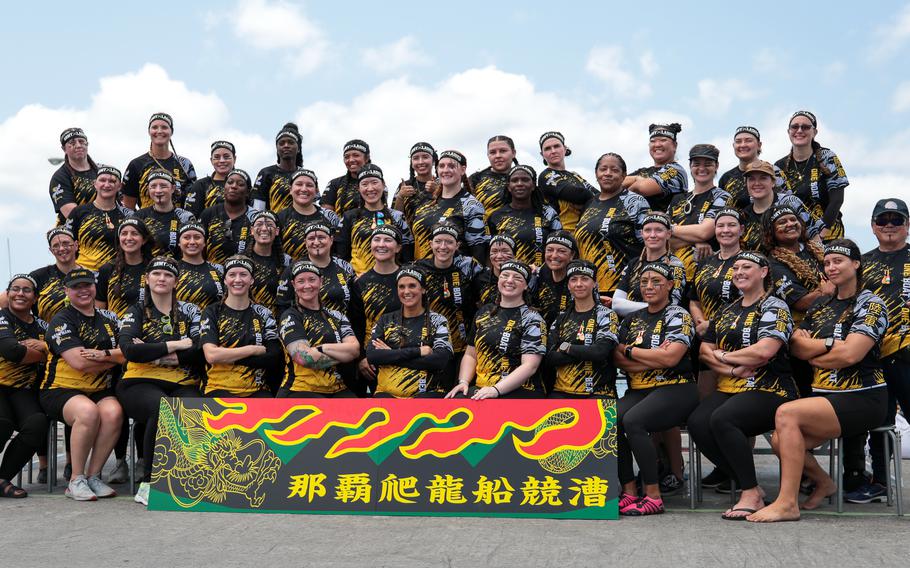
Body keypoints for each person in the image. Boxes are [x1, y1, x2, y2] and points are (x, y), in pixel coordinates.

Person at [750, 240, 888, 522]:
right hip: (826, 396)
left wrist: (818, 353)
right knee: (780, 439)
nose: (831, 267)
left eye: (838, 261)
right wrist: (829, 345)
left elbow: (852, 354)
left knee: (786, 413)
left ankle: (787, 503)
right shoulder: (821, 304)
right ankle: (824, 482)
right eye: (827, 263)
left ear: (856, 264)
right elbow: (798, 348)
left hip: (863, 397)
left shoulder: (870, 303)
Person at [691, 251, 797, 520]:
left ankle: (748, 490)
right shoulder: (728, 310)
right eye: (735, 267)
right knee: (697, 421)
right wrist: (732, 369)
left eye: (746, 266)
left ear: (763, 272)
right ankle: (749, 483)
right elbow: (704, 352)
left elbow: (764, 351)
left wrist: (724, 356)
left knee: (723, 418)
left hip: (771, 388)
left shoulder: (774, 306)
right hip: (732, 385)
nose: (738, 271)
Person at [613, 262, 698, 516]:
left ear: (670, 285)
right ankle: (629, 489)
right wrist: (652, 358)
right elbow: (617, 358)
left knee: (634, 421)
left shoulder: (678, 315)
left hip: (677, 387)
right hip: (640, 389)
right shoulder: (632, 319)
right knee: (609, 421)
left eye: (656, 282)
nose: (649, 287)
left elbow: (671, 359)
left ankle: (653, 494)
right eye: (644, 282)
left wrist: (632, 352)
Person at [116, 257, 203, 505]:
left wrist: (153, 354)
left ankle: (191, 479)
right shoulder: (136, 310)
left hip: (183, 382)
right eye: (156, 274)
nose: (162, 278)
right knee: (162, 408)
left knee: (196, 408)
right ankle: (149, 482)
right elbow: (130, 351)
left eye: (167, 275)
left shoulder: (191, 311)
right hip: (138, 382)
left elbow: (198, 350)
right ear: (147, 279)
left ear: (176, 281)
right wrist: (175, 344)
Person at [843, 199, 910, 504]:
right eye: (883, 220)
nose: (889, 226)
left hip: (908, 353)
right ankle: (880, 482)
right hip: (872, 356)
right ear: (872, 225)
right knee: (879, 423)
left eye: (897, 220)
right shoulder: (862, 262)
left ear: (907, 225)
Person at [40, 268, 124, 501]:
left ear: (95, 288)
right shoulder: (61, 320)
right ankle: (75, 480)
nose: (83, 290)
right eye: (76, 287)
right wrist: (111, 358)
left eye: (87, 285)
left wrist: (100, 355)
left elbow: (127, 353)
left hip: (99, 389)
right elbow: (78, 362)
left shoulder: (109, 319)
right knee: (87, 412)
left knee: (113, 413)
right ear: (67, 291)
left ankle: (93, 476)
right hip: (60, 390)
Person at [446, 260, 546, 399]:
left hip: (520, 391)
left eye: (517, 277)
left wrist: (496, 390)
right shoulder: (484, 312)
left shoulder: (532, 319)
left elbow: (530, 366)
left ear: (525, 286)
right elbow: (470, 354)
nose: (509, 281)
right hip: (482, 389)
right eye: (505, 275)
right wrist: (464, 382)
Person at [762, 205, 832, 398]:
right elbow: (801, 302)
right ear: (772, 231)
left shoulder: (816, 250)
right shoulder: (773, 263)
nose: (790, 224)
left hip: (832, 325)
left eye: (793, 219)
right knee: (811, 393)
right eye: (782, 222)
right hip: (802, 336)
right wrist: (826, 291)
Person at [199, 256, 283, 398]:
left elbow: (273, 357)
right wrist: (253, 350)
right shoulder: (212, 312)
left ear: (251, 280)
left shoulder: (263, 313)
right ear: (225, 280)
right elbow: (211, 355)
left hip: (257, 389)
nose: (238, 280)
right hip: (218, 387)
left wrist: (226, 356)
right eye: (232, 275)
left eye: (243, 274)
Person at [366, 266, 453, 398]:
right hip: (386, 394)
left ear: (423, 289)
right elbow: (373, 356)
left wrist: (390, 354)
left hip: (427, 395)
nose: (406, 291)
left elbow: (439, 360)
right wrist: (418, 352)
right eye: (401, 287)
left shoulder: (438, 321)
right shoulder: (385, 320)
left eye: (412, 286)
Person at [276, 261, 361, 397]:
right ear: (293, 285)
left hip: (337, 388)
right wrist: (344, 355)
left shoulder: (337, 315)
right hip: (300, 389)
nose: (307, 285)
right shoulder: (290, 316)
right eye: (301, 281)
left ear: (321, 282)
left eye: (312, 279)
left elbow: (355, 349)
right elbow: (304, 358)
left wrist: (323, 348)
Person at [416, 224, 483, 389]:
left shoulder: (469, 266)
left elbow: (491, 283)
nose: (443, 247)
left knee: (457, 392)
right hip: (430, 345)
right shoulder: (419, 268)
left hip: (462, 343)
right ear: (430, 244)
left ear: (457, 245)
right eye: (438, 242)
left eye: (449, 242)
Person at [0, 275, 49, 498]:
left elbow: (61, 351)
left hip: (24, 390)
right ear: (8, 293)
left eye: (26, 290)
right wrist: (42, 354)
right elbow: (12, 351)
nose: (20, 293)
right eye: (15, 289)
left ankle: (2, 479)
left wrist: (44, 349)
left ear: (35, 298)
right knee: (3, 423)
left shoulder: (44, 326)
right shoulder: (1, 318)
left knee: (37, 423)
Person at [575, 153, 648, 298]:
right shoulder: (590, 203)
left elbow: (650, 243)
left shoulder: (634, 202)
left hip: (624, 290)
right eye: (603, 169)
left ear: (623, 175)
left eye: (614, 170)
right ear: (596, 174)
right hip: (590, 290)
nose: (608, 174)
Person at [544, 260, 619, 398]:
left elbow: (600, 352)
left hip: (599, 392)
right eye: (573, 280)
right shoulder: (561, 318)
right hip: (561, 392)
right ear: (568, 285)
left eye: (585, 279)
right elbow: (549, 358)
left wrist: (566, 347)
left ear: (595, 283)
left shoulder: (607, 315)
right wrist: (585, 351)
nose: (579, 284)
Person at [775, 111, 849, 243]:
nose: (799, 130)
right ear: (788, 131)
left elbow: (837, 200)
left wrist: (821, 234)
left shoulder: (827, 157)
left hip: (829, 236)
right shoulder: (779, 166)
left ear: (814, 132)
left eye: (805, 127)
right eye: (795, 127)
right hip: (796, 237)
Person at [335, 164, 413, 275]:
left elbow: (407, 255)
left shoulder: (397, 216)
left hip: (393, 282)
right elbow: (340, 255)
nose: (370, 188)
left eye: (374, 182)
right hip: (358, 284)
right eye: (364, 184)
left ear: (383, 184)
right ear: (359, 188)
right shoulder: (349, 217)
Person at [667, 144, 731, 280]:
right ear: (690, 166)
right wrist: (696, 241)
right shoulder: (678, 199)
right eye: (696, 164)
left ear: (716, 166)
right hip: (674, 275)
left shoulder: (722, 197)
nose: (702, 168)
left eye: (708, 164)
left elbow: (704, 232)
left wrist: (670, 229)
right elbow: (665, 240)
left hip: (707, 275)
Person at [411, 150, 487, 262]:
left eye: (451, 166)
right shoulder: (426, 205)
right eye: (441, 166)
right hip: (421, 274)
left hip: (454, 276)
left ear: (463, 169)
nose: (445, 170)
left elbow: (479, 252)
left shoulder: (471, 206)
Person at [611, 213, 687, 317]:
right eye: (648, 230)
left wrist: (629, 306)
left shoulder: (675, 265)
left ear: (668, 234)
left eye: (658, 230)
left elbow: (670, 307)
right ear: (641, 234)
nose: (652, 235)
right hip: (630, 325)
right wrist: (652, 306)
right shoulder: (634, 263)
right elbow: (616, 305)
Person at [355, 226, 404, 386]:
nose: (381, 244)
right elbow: (356, 324)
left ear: (398, 248)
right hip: (371, 360)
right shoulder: (361, 283)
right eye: (376, 239)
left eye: (388, 240)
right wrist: (361, 358)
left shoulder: (408, 279)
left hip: (404, 354)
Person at [488, 165, 561, 267]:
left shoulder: (548, 213)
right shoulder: (496, 217)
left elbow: (559, 246)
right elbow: (489, 253)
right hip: (509, 278)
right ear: (509, 187)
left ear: (533, 185)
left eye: (525, 180)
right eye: (515, 180)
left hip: (541, 277)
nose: (519, 184)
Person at [122, 112, 196, 210]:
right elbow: (128, 207)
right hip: (146, 222)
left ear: (171, 131)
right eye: (155, 127)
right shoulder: (136, 164)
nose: (159, 131)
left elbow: (193, 200)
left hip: (179, 222)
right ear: (149, 131)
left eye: (164, 127)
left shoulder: (185, 164)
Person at [66, 165, 133, 271]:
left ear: (119, 186)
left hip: (115, 275)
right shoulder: (79, 212)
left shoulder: (128, 215)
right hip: (83, 274)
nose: (106, 185)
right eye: (102, 180)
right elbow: (67, 244)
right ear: (95, 184)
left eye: (112, 181)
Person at [538, 131, 597, 233]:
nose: (553, 151)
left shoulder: (575, 175)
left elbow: (600, 195)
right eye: (547, 148)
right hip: (563, 237)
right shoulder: (546, 176)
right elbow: (579, 194)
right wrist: (588, 197)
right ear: (542, 154)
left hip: (586, 232)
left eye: (556, 146)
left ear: (565, 149)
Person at [277, 168, 341, 261]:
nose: (304, 189)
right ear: (290, 189)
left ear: (316, 191)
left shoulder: (330, 217)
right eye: (299, 184)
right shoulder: (279, 218)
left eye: (309, 185)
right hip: (291, 272)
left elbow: (339, 251)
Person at [198, 168, 258, 266]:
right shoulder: (209, 213)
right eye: (230, 182)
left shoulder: (255, 218)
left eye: (240, 184)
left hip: (242, 275)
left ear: (248, 192)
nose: (234, 186)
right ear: (224, 187)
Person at [623, 123, 688, 213]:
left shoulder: (676, 171)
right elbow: (617, 183)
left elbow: (641, 188)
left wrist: (625, 193)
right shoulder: (642, 171)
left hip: (661, 225)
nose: (657, 144)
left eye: (663, 140)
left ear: (674, 146)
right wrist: (636, 178)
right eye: (653, 141)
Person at [96, 219, 153, 318]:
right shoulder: (107, 269)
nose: (129, 238)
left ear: (144, 240)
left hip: (146, 328)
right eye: (124, 234)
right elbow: (100, 309)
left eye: (135, 233)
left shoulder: (154, 269)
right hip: (115, 329)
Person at [718, 126, 785, 209]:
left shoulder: (773, 171)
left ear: (759, 145)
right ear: (733, 146)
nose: (743, 145)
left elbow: (787, 201)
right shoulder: (726, 178)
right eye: (738, 141)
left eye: (748, 140)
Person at [134, 170, 196, 257]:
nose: (158, 191)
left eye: (163, 186)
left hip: (177, 268)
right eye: (153, 186)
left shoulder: (185, 217)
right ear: (148, 189)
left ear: (173, 188)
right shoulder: (139, 216)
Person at [49, 127, 98, 224]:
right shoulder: (60, 177)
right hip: (75, 232)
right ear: (64, 149)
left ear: (87, 144)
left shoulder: (102, 172)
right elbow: (71, 214)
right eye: (72, 143)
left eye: (81, 141)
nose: (78, 145)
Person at [252, 123, 304, 213]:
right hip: (272, 225)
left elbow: (314, 206)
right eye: (281, 143)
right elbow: (257, 208)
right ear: (277, 148)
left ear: (298, 148)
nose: (286, 145)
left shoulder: (306, 175)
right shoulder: (266, 173)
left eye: (291, 142)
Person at [247, 211, 291, 317]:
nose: (264, 228)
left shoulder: (286, 262)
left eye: (270, 225)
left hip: (278, 320)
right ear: (252, 231)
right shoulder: (241, 260)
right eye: (259, 224)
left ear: (277, 231)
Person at [175, 224, 225, 311]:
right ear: (179, 243)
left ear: (204, 242)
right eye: (186, 237)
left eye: (197, 237)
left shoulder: (218, 269)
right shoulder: (173, 269)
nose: (192, 242)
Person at [468, 135, 519, 221]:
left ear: (513, 153)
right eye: (492, 152)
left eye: (503, 151)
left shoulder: (524, 178)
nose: (497, 156)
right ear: (488, 155)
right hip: (484, 232)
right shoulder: (476, 178)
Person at [531, 231, 578, 326]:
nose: (554, 255)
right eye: (549, 250)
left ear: (572, 255)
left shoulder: (580, 279)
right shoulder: (536, 275)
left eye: (561, 251)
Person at [183, 140, 237, 218]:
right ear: (211, 160)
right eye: (217, 157)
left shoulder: (242, 184)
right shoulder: (200, 185)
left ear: (234, 159)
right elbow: (190, 218)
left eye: (226, 157)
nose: (222, 161)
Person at [392, 142, 438, 227]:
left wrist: (438, 191)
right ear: (412, 163)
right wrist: (400, 197)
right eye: (416, 158)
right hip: (410, 238)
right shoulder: (404, 185)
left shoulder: (443, 184)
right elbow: (395, 218)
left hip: (439, 237)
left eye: (425, 157)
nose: (420, 162)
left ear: (433, 161)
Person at [322, 139, 370, 216]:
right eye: (346, 157)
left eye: (356, 155)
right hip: (341, 227)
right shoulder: (334, 183)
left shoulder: (377, 182)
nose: (351, 160)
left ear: (366, 158)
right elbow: (326, 215)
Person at [475, 235, 516, 307]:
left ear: (514, 254)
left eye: (505, 251)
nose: (499, 256)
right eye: (494, 251)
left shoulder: (523, 278)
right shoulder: (480, 278)